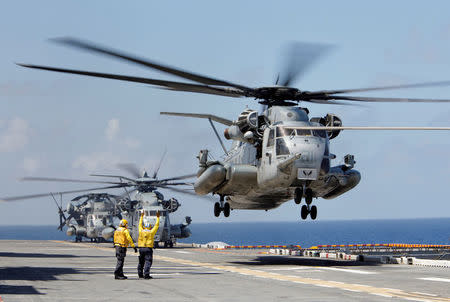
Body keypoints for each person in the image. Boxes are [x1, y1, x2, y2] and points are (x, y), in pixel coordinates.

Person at [137, 210, 160, 279]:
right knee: (148, 261)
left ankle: (140, 274)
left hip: (141, 248)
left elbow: (139, 224)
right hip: (148, 248)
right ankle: (146, 274)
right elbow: (156, 225)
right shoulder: (151, 232)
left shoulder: (141, 231)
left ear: (144, 227)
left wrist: (142, 216)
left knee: (141, 261)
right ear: (150, 227)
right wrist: (158, 217)